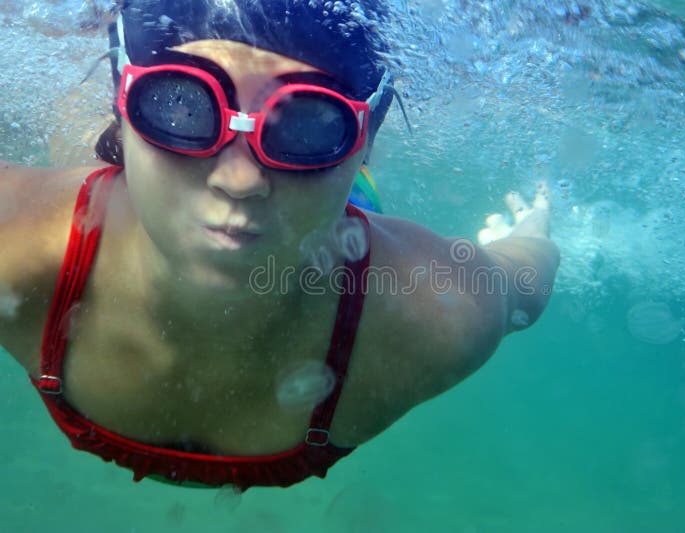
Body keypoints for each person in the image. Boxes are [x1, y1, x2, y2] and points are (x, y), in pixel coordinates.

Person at [0, 0, 559, 491]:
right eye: (181, 106)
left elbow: (523, 279)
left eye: (310, 123)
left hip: (342, 221)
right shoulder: (18, 245)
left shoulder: (438, 312)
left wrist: (532, 228)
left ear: (365, 137)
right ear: (122, 100)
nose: (240, 181)